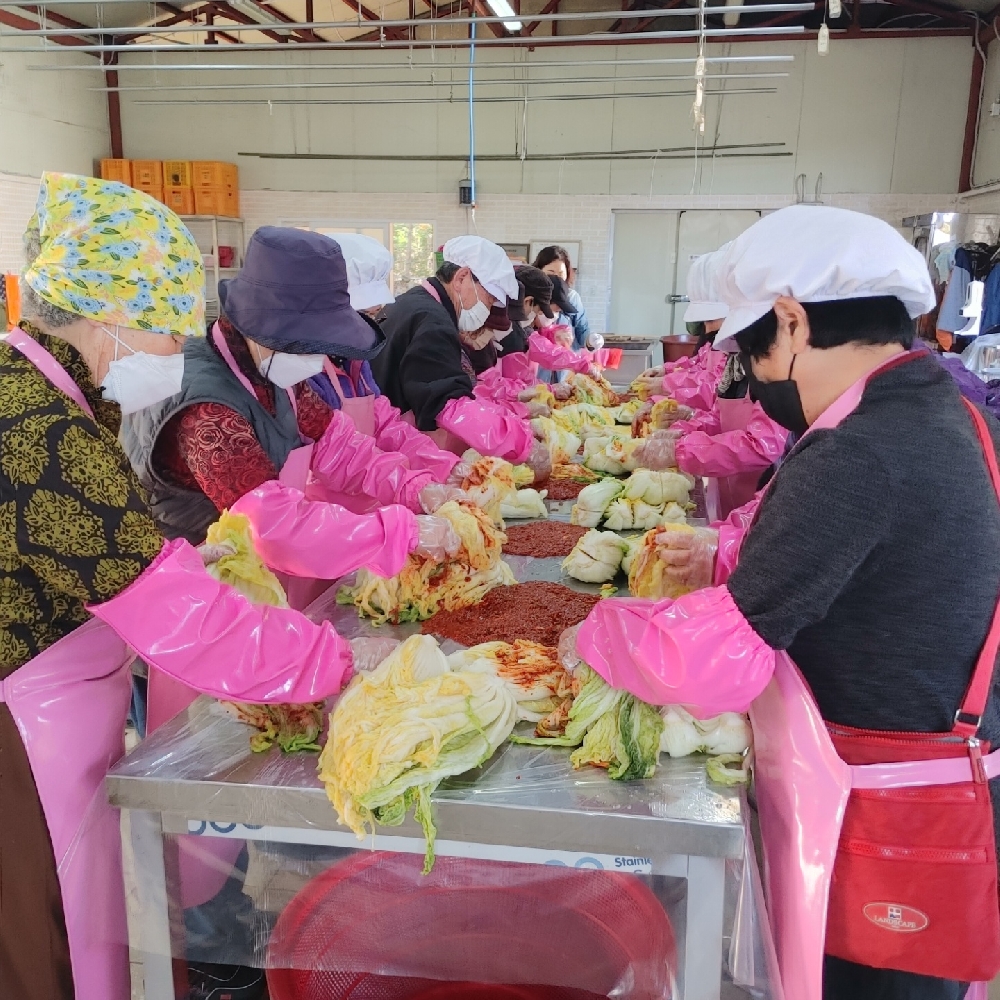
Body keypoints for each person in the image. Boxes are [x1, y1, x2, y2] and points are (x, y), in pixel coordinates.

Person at [570, 205, 1000, 1000]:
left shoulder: (858, 453)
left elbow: (708, 660)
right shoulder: (939, 412)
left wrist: (590, 632)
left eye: (752, 349)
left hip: (875, 818)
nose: (754, 375)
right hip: (911, 772)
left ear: (793, 323)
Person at [0, 173, 393, 1000]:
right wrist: (341, 666)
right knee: (49, 944)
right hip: (22, 734)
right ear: (111, 316)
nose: (169, 351)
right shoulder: (37, 427)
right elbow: (181, 621)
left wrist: (187, 567)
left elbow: (109, 559)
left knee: (90, 923)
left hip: (65, 708)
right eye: (161, 328)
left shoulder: (49, 396)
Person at [372, 235, 551, 479]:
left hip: (389, 453)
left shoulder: (412, 303)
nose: (487, 309)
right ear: (462, 277)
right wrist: (522, 446)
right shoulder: (432, 321)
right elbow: (450, 404)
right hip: (394, 464)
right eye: (489, 299)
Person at [633, 251, 789, 519]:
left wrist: (684, 450)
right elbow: (723, 415)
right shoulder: (736, 353)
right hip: (731, 487)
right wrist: (686, 426)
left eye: (712, 321)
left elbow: (762, 446)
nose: (709, 332)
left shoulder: (776, 364)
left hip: (764, 498)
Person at [533, 244, 591, 350]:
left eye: (561, 273)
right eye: (550, 272)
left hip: (566, 362)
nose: (556, 277)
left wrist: (591, 342)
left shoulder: (572, 297)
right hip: (537, 363)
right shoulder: (529, 297)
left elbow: (582, 331)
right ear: (538, 271)